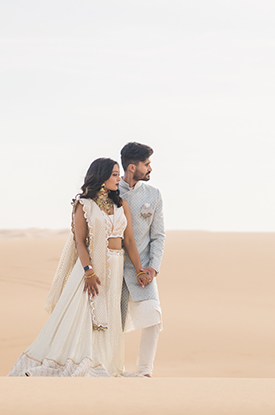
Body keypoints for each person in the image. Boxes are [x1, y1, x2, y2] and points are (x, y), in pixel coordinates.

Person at [8, 157, 148, 377]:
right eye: (113, 174)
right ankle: (74, 360)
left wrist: (140, 269)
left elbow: (129, 241)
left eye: (118, 173)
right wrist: (88, 271)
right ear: (101, 178)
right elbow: (80, 243)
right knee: (82, 318)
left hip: (116, 265)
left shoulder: (122, 205)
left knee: (109, 319)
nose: (118, 178)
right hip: (90, 270)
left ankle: (105, 362)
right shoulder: (84, 205)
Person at [119, 141, 165, 377]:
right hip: (114, 271)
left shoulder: (153, 194)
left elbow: (158, 236)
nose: (150, 168)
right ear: (131, 167)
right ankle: (114, 369)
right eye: (146, 164)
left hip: (144, 273)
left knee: (153, 319)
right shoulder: (110, 193)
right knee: (113, 325)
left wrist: (153, 269)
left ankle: (144, 371)